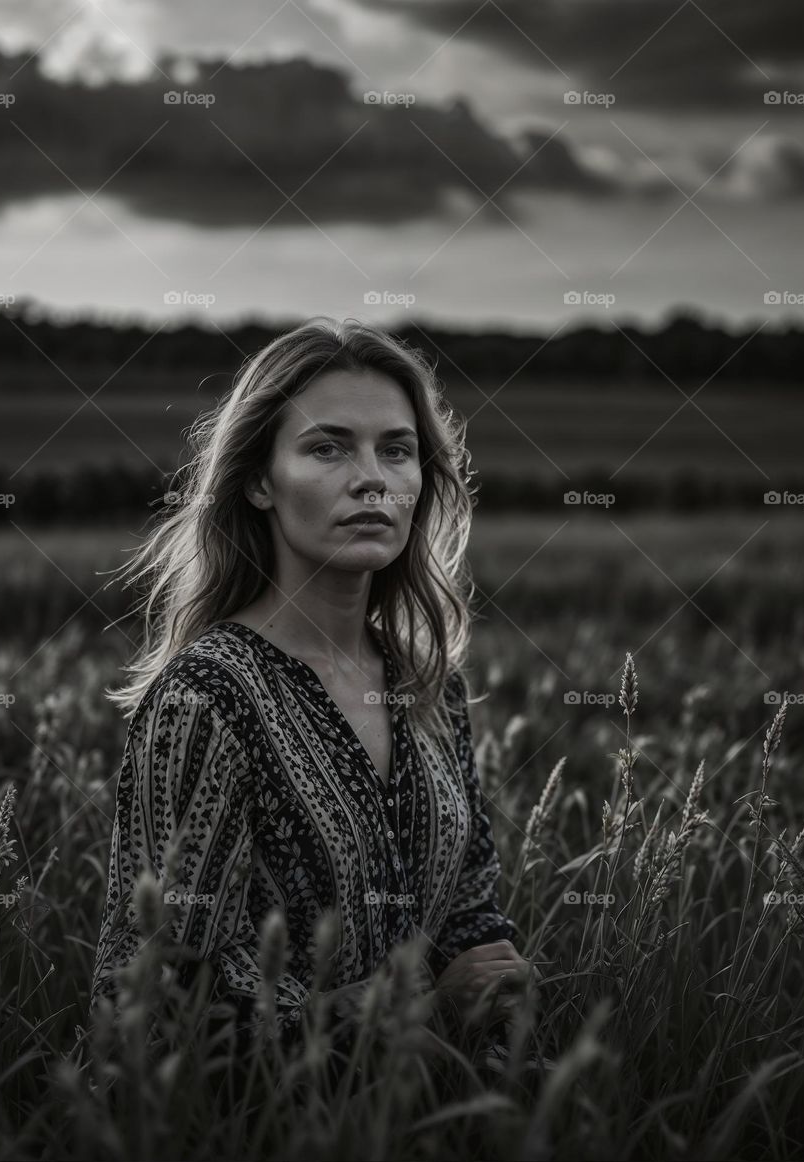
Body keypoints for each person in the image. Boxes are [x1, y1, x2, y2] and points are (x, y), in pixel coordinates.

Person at [87, 316, 534, 1065]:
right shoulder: (210, 696)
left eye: (396, 450)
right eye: (327, 447)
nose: (373, 479)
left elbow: (467, 902)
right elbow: (165, 991)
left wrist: (494, 977)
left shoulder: (429, 687)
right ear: (260, 480)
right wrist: (385, 1021)